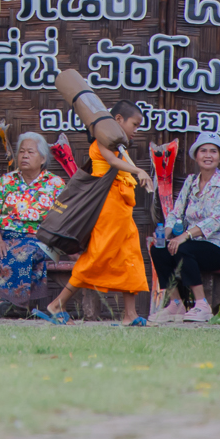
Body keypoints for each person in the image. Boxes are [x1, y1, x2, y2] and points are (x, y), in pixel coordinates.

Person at [37, 101, 154, 326]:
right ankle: (57, 305)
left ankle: (130, 315)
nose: (136, 129)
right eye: (135, 124)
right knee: (98, 256)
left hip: (122, 209)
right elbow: (111, 162)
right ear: (118, 120)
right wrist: (138, 170)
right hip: (107, 206)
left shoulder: (119, 145)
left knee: (130, 256)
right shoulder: (103, 139)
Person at [149, 131, 220, 323]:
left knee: (183, 248)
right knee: (158, 249)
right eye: (203, 151)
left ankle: (202, 305)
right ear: (196, 156)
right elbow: (175, 214)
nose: (208, 155)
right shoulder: (191, 181)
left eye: (213, 151)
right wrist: (164, 236)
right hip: (195, 243)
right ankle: (176, 304)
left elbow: (217, 219)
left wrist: (184, 236)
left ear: (219, 157)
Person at [0, 131, 65, 310]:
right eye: (21, 151)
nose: (24, 155)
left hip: (40, 239)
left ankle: (17, 302)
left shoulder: (55, 184)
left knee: (21, 254)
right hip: (6, 237)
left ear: (42, 158)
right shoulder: (6, 181)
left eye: (30, 152)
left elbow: (66, 218)